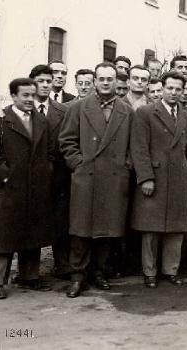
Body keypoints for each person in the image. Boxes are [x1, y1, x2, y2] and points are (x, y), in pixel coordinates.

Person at [59, 62, 134, 297]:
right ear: (94, 81)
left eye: (109, 79)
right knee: (81, 229)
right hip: (87, 177)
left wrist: (125, 166)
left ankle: (99, 272)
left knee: (107, 229)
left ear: (117, 82)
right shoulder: (79, 108)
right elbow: (66, 141)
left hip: (114, 178)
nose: (105, 83)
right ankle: (78, 276)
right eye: (100, 79)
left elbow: (135, 145)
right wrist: (78, 164)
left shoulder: (127, 111)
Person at [0, 78, 54, 299]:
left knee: (33, 232)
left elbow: (50, 151)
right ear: (13, 96)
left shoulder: (41, 121)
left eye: (33, 94)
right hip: (10, 190)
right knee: (4, 235)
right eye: (25, 95)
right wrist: (5, 177)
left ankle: (29, 276)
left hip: (36, 187)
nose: (31, 99)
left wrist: (46, 171)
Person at [129, 71, 187, 289]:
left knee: (176, 228)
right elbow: (139, 149)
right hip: (155, 177)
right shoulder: (146, 113)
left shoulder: (186, 116)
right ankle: (150, 272)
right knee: (151, 228)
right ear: (161, 89)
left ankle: (171, 270)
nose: (174, 93)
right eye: (170, 88)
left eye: (179, 89)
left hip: (179, 177)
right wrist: (146, 177)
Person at [29, 65, 71, 279]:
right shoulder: (23, 108)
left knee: (60, 222)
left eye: (48, 81)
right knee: (33, 223)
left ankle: (62, 265)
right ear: (32, 82)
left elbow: (68, 141)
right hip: (31, 178)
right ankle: (30, 271)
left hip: (58, 177)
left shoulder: (62, 111)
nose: (45, 85)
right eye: (41, 81)